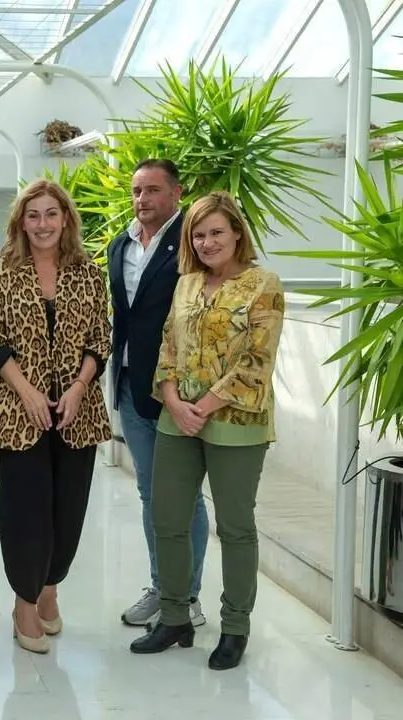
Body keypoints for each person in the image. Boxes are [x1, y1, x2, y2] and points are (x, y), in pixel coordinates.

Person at [130, 191, 284, 671]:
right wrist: (175, 401)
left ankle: (235, 627)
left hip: (236, 421)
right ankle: (175, 618)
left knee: (235, 527)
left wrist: (204, 405)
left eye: (217, 231)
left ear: (237, 232)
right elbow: (168, 344)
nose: (207, 241)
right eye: (198, 234)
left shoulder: (264, 284)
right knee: (167, 518)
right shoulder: (187, 284)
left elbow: (257, 361)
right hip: (177, 417)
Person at [0, 179, 112, 654]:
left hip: (80, 413)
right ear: (20, 223)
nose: (43, 224)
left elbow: (101, 340)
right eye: (33, 215)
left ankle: (51, 585)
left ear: (66, 219)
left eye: (51, 214)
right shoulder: (1, 273)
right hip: (18, 412)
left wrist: (77, 388)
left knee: (68, 512)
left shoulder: (89, 274)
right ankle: (25, 603)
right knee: (26, 513)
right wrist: (29, 392)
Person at [108, 159, 209, 629]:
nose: (142, 199)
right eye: (135, 191)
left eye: (151, 190)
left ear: (176, 192)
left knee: (184, 497)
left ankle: (186, 596)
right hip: (131, 386)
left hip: (179, 391)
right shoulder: (120, 245)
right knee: (151, 493)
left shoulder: (194, 242)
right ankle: (162, 585)